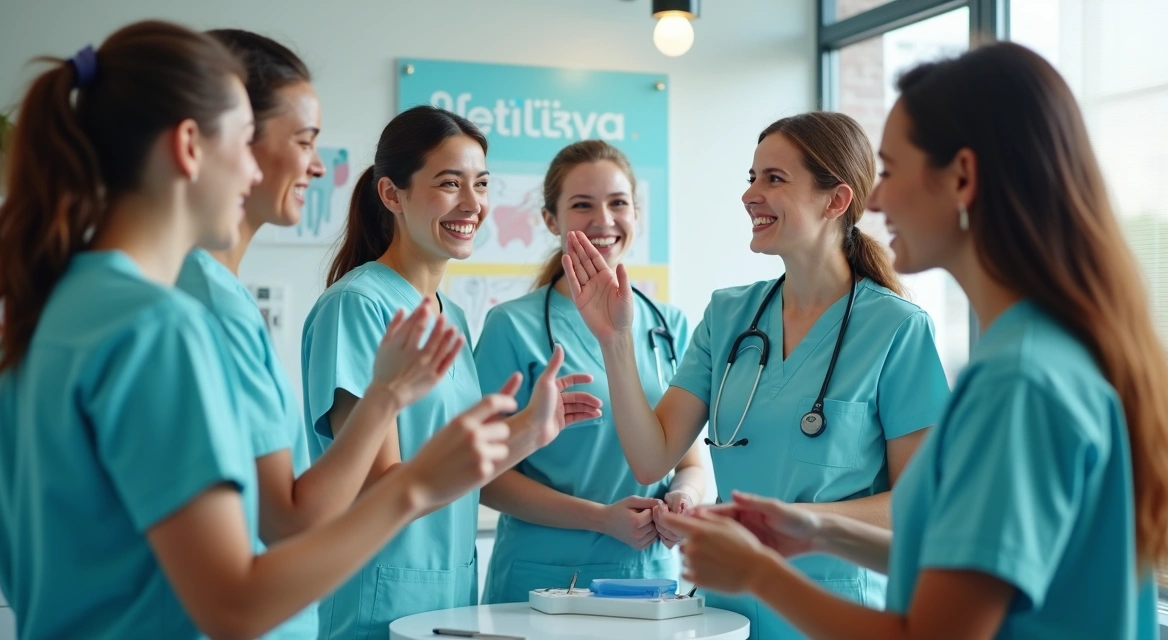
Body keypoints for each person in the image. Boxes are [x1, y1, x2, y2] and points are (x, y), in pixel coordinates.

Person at [0, 21, 515, 639]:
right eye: (245, 139)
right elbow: (233, 604)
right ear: (189, 146)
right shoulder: (161, 326)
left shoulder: (60, 305)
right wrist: (416, 485)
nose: (258, 170)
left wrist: (391, 403)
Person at [666, 42, 1168, 639]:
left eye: (892, 170)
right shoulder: (1046, 352)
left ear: (961, 177)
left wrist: (758, 575)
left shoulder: (1017, 381)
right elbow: (970, 570)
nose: (876, 199)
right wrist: (821, 532)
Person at [561, 111, 951, 639]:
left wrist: (787, 525)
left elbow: (917, 504)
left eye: (774, 178)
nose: (750, 195)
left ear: (835, 200)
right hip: (731, 611)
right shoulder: (729, 317)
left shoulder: (896, 329)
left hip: (838, 611)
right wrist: (615, 340)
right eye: (752, 178)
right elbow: (651, 455)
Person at [175, 31, 473, 637]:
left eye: (482, 182)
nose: (319, 165)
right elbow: (295, 517)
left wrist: (519, 435)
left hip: (418, 596)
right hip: (360, 603)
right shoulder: (214, 305)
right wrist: (388, 400)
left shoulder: (216, 298)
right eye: (305, 141)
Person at [302, 105, 602, 639]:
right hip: (375, 599)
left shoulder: (451, 315)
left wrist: (529, 432)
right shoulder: (358, 306)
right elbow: (381, 487)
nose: (473, 204)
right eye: (449, 183)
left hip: (448, 599)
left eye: (481, 184)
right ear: (392, 195)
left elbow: (461, 473)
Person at [475, 140, 707, 604]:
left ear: (636, 214)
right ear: (549, 220)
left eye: (618, 203)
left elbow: (692, 460)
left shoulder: (671, 325)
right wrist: (601, 517)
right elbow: (483, 477)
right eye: (582, 205)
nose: (603, 220)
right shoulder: (512, 326)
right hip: (542, 581)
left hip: (651, 577)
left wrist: (685, 497)